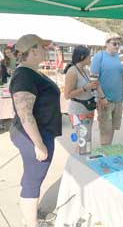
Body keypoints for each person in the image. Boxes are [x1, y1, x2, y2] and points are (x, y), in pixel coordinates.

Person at [9, 34, 61, 227]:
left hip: (39, 132)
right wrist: (38, 144)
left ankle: (29, 214)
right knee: (33, 178)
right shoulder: (24, 75)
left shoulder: (32, 72)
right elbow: (25, 114)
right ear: (32, 51)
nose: (46, 49)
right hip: (33, 135)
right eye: (43, 46)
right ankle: (31, 223)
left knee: (32, 176)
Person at [90, 33, 123, 145]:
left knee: (112, 129)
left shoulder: (120, 58)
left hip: (118, 100)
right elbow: (93, 80)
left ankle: (108, 153)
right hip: (105, 100)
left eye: (119, 44)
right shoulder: (99, 56)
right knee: (105, 131)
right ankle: (105, 156)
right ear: (106, 44)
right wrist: (102, 97)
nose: (117, 46)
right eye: (114, 43)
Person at [64, 46, 98, 154]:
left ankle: (85, 159)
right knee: (83, 139)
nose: (91, 58)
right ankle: (79, 163)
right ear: (83, 56)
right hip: (78, 111)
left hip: (88, 109)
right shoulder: (72, 71)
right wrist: (85, 88)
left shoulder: (86, 70)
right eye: (89, 56)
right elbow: (67, 95)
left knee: (87, 138)